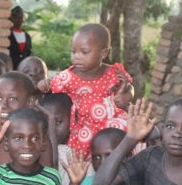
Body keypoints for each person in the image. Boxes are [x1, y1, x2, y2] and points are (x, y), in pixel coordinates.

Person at [44, 24, 134, 156]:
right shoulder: (66, 78)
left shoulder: (113, 72)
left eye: (84, 52)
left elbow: (129, 86)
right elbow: (50, 90)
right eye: (74, 51)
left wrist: (128, 95)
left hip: (113, 124)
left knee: (129, 142)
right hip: (84, 130)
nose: (77, 57)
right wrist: (44, 85)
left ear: (103, 53)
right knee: (83, 160)